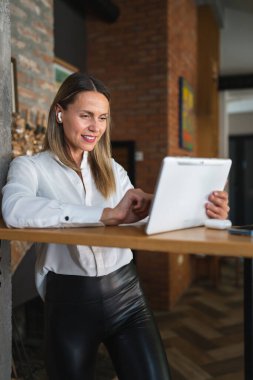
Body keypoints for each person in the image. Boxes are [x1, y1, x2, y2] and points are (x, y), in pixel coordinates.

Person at [2, 72, 229, 380]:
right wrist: (103, 214)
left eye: (103, 118)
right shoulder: (30, 167)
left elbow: (142, 219)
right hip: (69, 302)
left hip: (127, 294)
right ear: (59, 112)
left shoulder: (112, 168)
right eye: (86, 116)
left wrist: (203, 213)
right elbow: (15, 209)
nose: (96, 127)